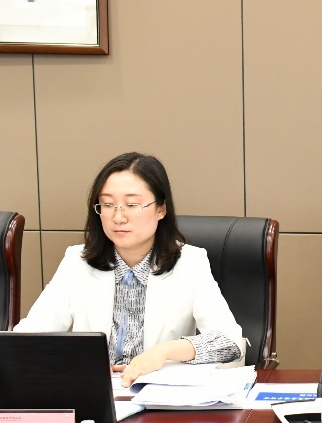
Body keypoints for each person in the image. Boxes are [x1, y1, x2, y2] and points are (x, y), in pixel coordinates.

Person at [16, 152, 243, 385]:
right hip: (95, 391)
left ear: (161, 209)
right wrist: (78, 362)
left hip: (159, 397)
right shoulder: (76, 261)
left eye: (132, 205)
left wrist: (165, 351)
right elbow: (26, 340)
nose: (118, 217)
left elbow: (230, 343)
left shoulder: (190, 262)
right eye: (108, 204)